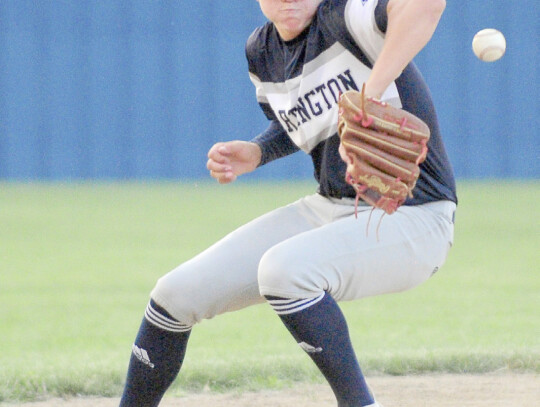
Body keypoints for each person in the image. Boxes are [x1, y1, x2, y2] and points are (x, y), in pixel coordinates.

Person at [118, 0, 456, 406]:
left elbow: (426, 4)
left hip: (415, 217)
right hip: (332, 207)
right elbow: (297, 120)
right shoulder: (261, 53)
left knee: (284, 271)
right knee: (175, 294)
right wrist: (259, 151)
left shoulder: (347, 18)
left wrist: (372, 91)